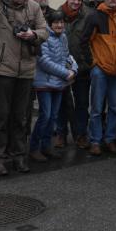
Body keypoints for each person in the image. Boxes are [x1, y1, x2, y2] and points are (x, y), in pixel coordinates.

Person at [0, 0, 48, 176]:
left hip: (26, 68)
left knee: (21, 116)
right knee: (2, 115)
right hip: (3, 67)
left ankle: (19, 154)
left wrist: (33, 35)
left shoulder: (33, 7)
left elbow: (44, 30)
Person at [80, 0, 116, 156]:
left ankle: (110, 139)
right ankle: (95, 140)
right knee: (96, 108)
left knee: (115, 107)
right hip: (100, 70)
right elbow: (83, 41)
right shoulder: (94, 16)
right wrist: (93, 63)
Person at [30, 11, 77, 162]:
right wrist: (65, 73)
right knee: (46, 115)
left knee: (54, 117)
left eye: (62, 22)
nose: (59, 25)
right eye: (56, 22)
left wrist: (73, 68)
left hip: (59, 83)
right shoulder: (44, 36)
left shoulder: (63, 37)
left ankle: (46, 146)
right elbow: (43, 61)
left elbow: (67, 56)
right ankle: (34, 148)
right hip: (44, 82)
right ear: (50, 24)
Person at [55, 0, 92, 149]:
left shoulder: (88, 15)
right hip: (61, 68)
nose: (76, 2)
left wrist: (87, 62)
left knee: (82, 103)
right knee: (62, 103)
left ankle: (80, 135)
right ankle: (61, 134)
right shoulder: (57, 14)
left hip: (82, 67)